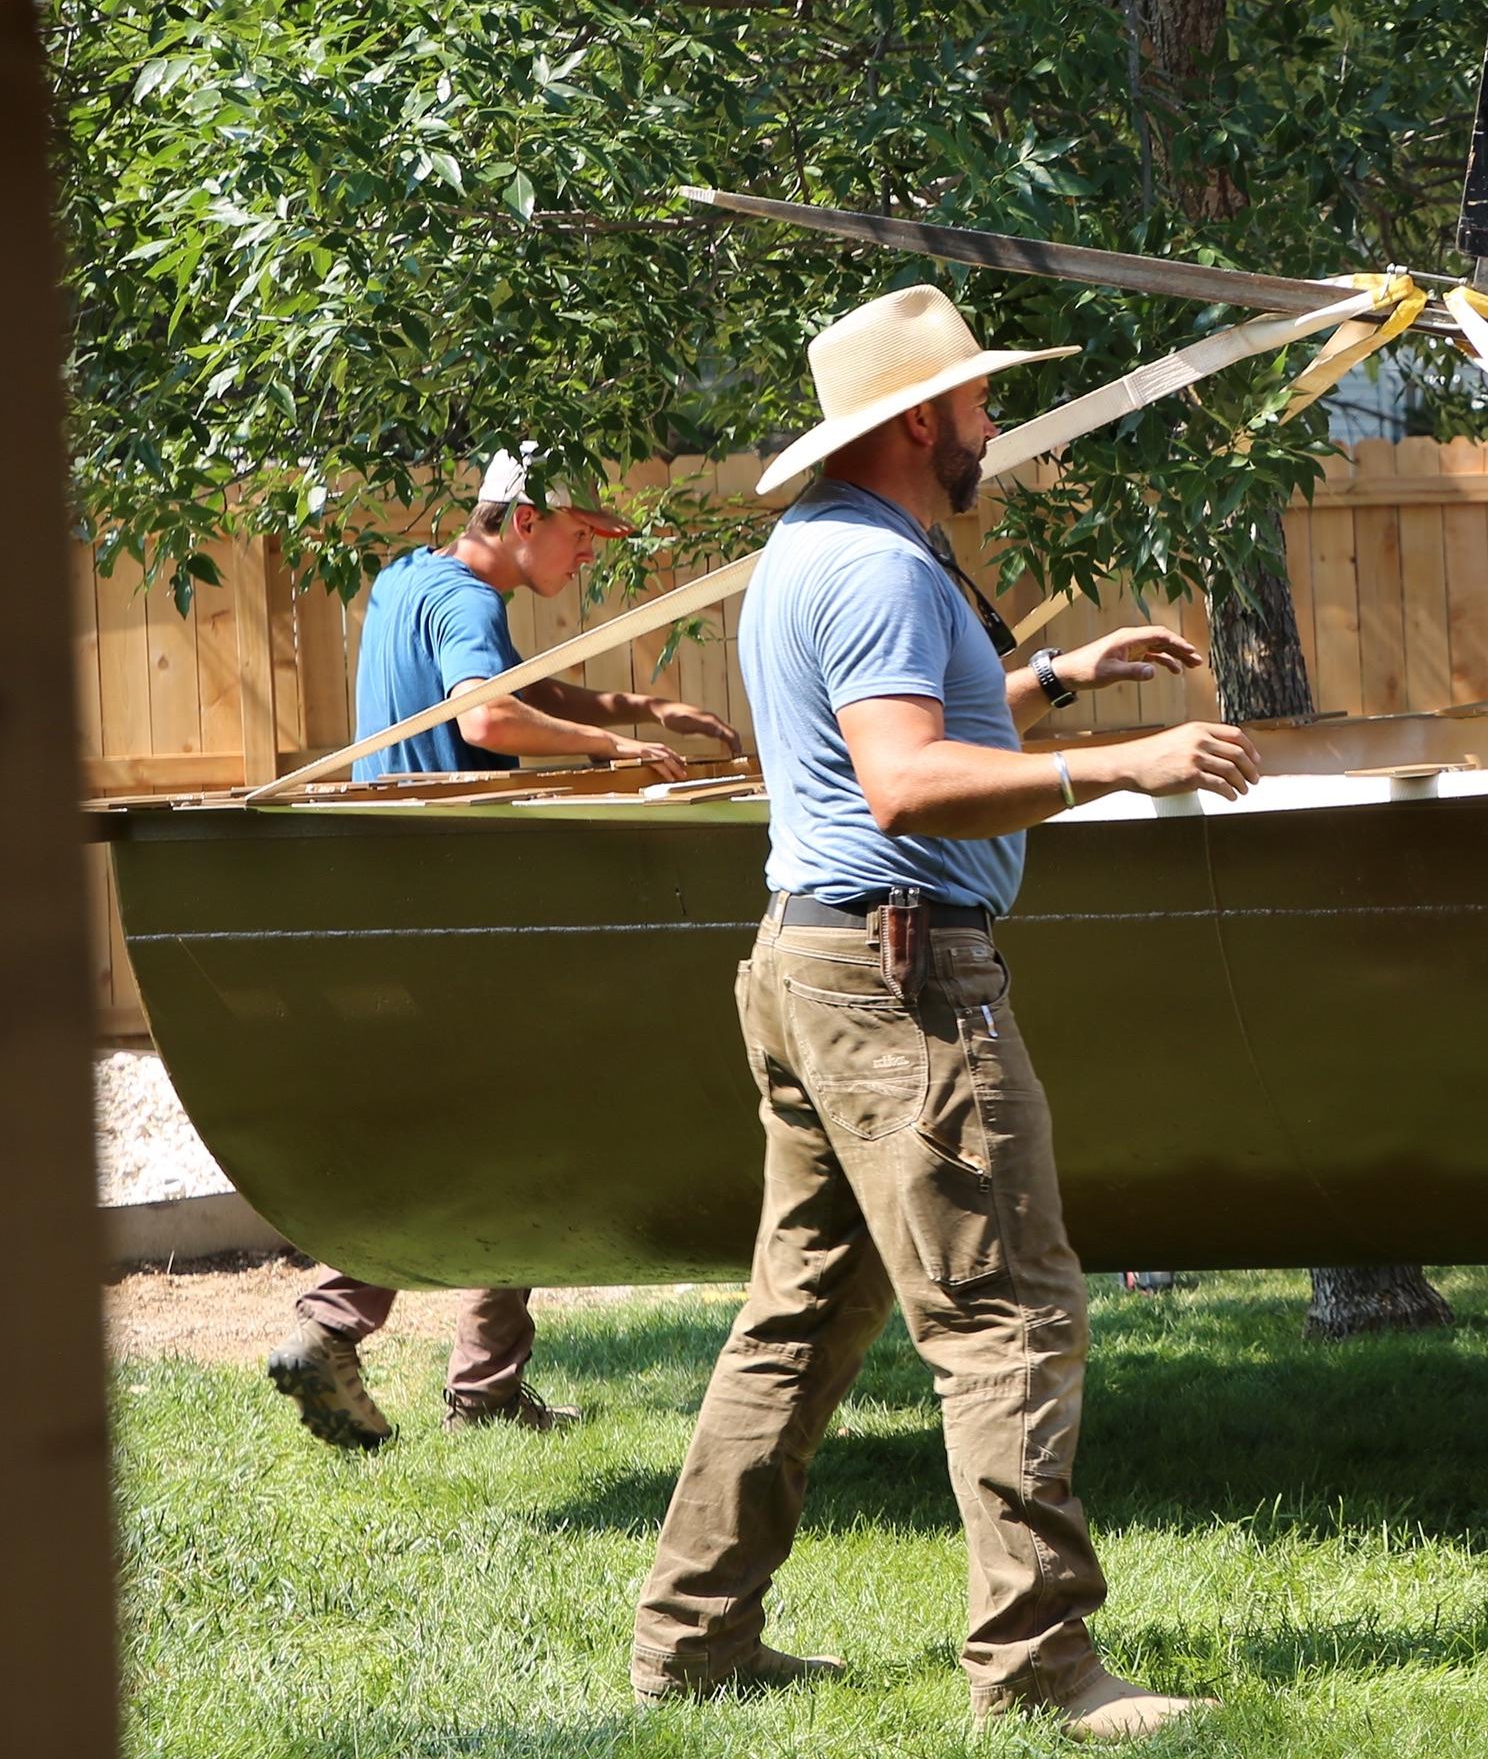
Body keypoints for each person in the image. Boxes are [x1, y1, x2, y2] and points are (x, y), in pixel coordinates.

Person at [627, 284, 1260, 1741]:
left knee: (799, 1317)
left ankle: (694, 1641)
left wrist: (1052, 680)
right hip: (901, 981)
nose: (994, 428)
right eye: (979, 403)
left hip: (814, 964)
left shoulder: (817, 552)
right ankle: (1040, 1671)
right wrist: (1128, 763)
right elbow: (903, 781)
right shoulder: (886, 572)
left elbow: (912, 731)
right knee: (1010, 1311)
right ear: (917, 420)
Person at [263, 449, 743, 1450]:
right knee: (520, 1130)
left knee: (491, 1127)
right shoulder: (469, 605)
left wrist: (640, 710)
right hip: (460, 900)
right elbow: (486, 714)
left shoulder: (407, 583)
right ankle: (351, 1328)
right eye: (576, 536)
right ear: (523, 520)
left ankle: (448, 1369)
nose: (584, 559)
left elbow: (514, 697)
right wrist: (620, 754)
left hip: (396, 900)